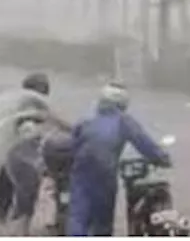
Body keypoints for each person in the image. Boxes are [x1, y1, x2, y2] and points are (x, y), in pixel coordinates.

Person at [66, 82, 171, 237]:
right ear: (123, 103)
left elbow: (73, 144)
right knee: (102, 219)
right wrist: (162, 159)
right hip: (105, 173)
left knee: (78, 216)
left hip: (81, 172)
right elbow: (143, 143)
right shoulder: (123, 121)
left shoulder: (86, 118)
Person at [0, 72, 70, 232]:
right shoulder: (30, 110)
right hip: (18, 162)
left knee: (8, 203)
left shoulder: (24, 106)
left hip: (8, 161)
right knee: (23, 203)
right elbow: (50, 125)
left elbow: (56, 122)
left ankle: (4, 227)